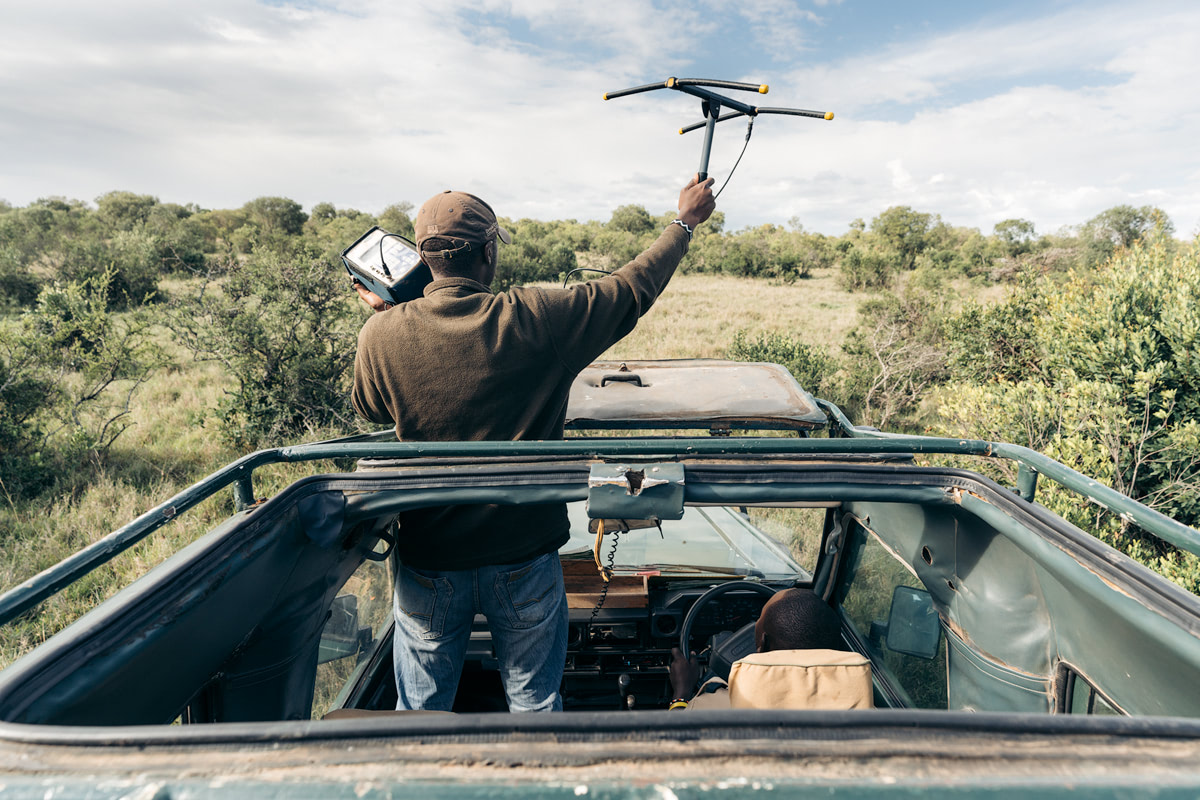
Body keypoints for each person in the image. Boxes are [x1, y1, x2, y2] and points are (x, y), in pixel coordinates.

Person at [351, 175, 716, 712]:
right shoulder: (535, 318)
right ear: (488, 252)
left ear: (424, 258)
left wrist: (392, 319)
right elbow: (631, 289)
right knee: (536, 707)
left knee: (419, 715)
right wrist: (684, 223)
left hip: (428, 558)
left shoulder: (380, 334)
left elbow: (373, 410)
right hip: (523, 554)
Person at [668, 587, 849, 709]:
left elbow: (673, 751)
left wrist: (682, 693)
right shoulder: (866, 712)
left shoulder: (712, 709)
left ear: (763, 645)